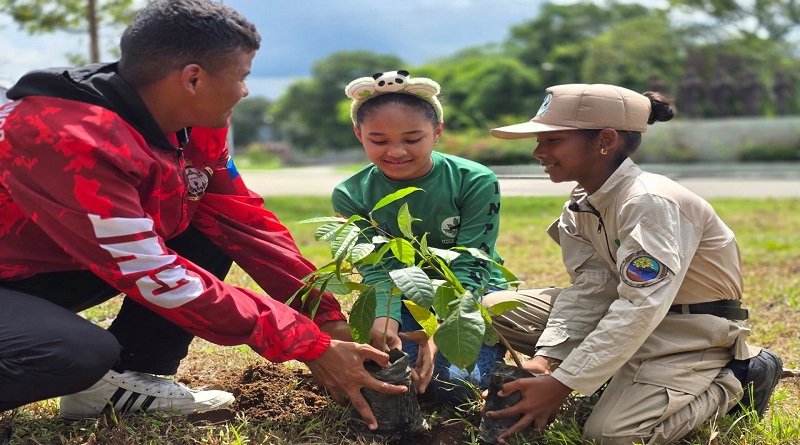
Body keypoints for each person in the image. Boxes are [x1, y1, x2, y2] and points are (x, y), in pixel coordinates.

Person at [0, 0, 405, 430]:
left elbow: (240, 220)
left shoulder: (191, 123)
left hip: (30, 269)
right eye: (242, 77)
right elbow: (151, 273)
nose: (246, 91)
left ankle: (118, 382)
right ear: (193, 78)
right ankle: (87, 370)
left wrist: (325, 319)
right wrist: (308, 344)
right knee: (75, 353)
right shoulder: (68, 137)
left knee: (204, 229)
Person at [481, 83, 783, 444]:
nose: (537, 152)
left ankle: (741, 376)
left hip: (687, 330)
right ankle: (617, 374)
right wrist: (547, 361)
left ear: (605, 139)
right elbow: (592, 290)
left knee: (612, 435)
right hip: (628, 313)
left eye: (552, 141)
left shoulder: (649, 202)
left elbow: (641, 305)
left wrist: (563, 384)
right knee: (492, 309)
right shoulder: (582, 203)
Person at [332, 70, 510, 404]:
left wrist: (439, 330)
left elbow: (472, 262)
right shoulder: (350, 194)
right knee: (391, 379)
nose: (396, 152)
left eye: (412, 139)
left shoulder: (474, 180)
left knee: (454, 387)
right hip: (401, 299)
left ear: (437, 132)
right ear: (359, 134)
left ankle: (499, 343)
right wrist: (386, 315)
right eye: (379, 140)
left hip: (468, 294)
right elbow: (376, 267)